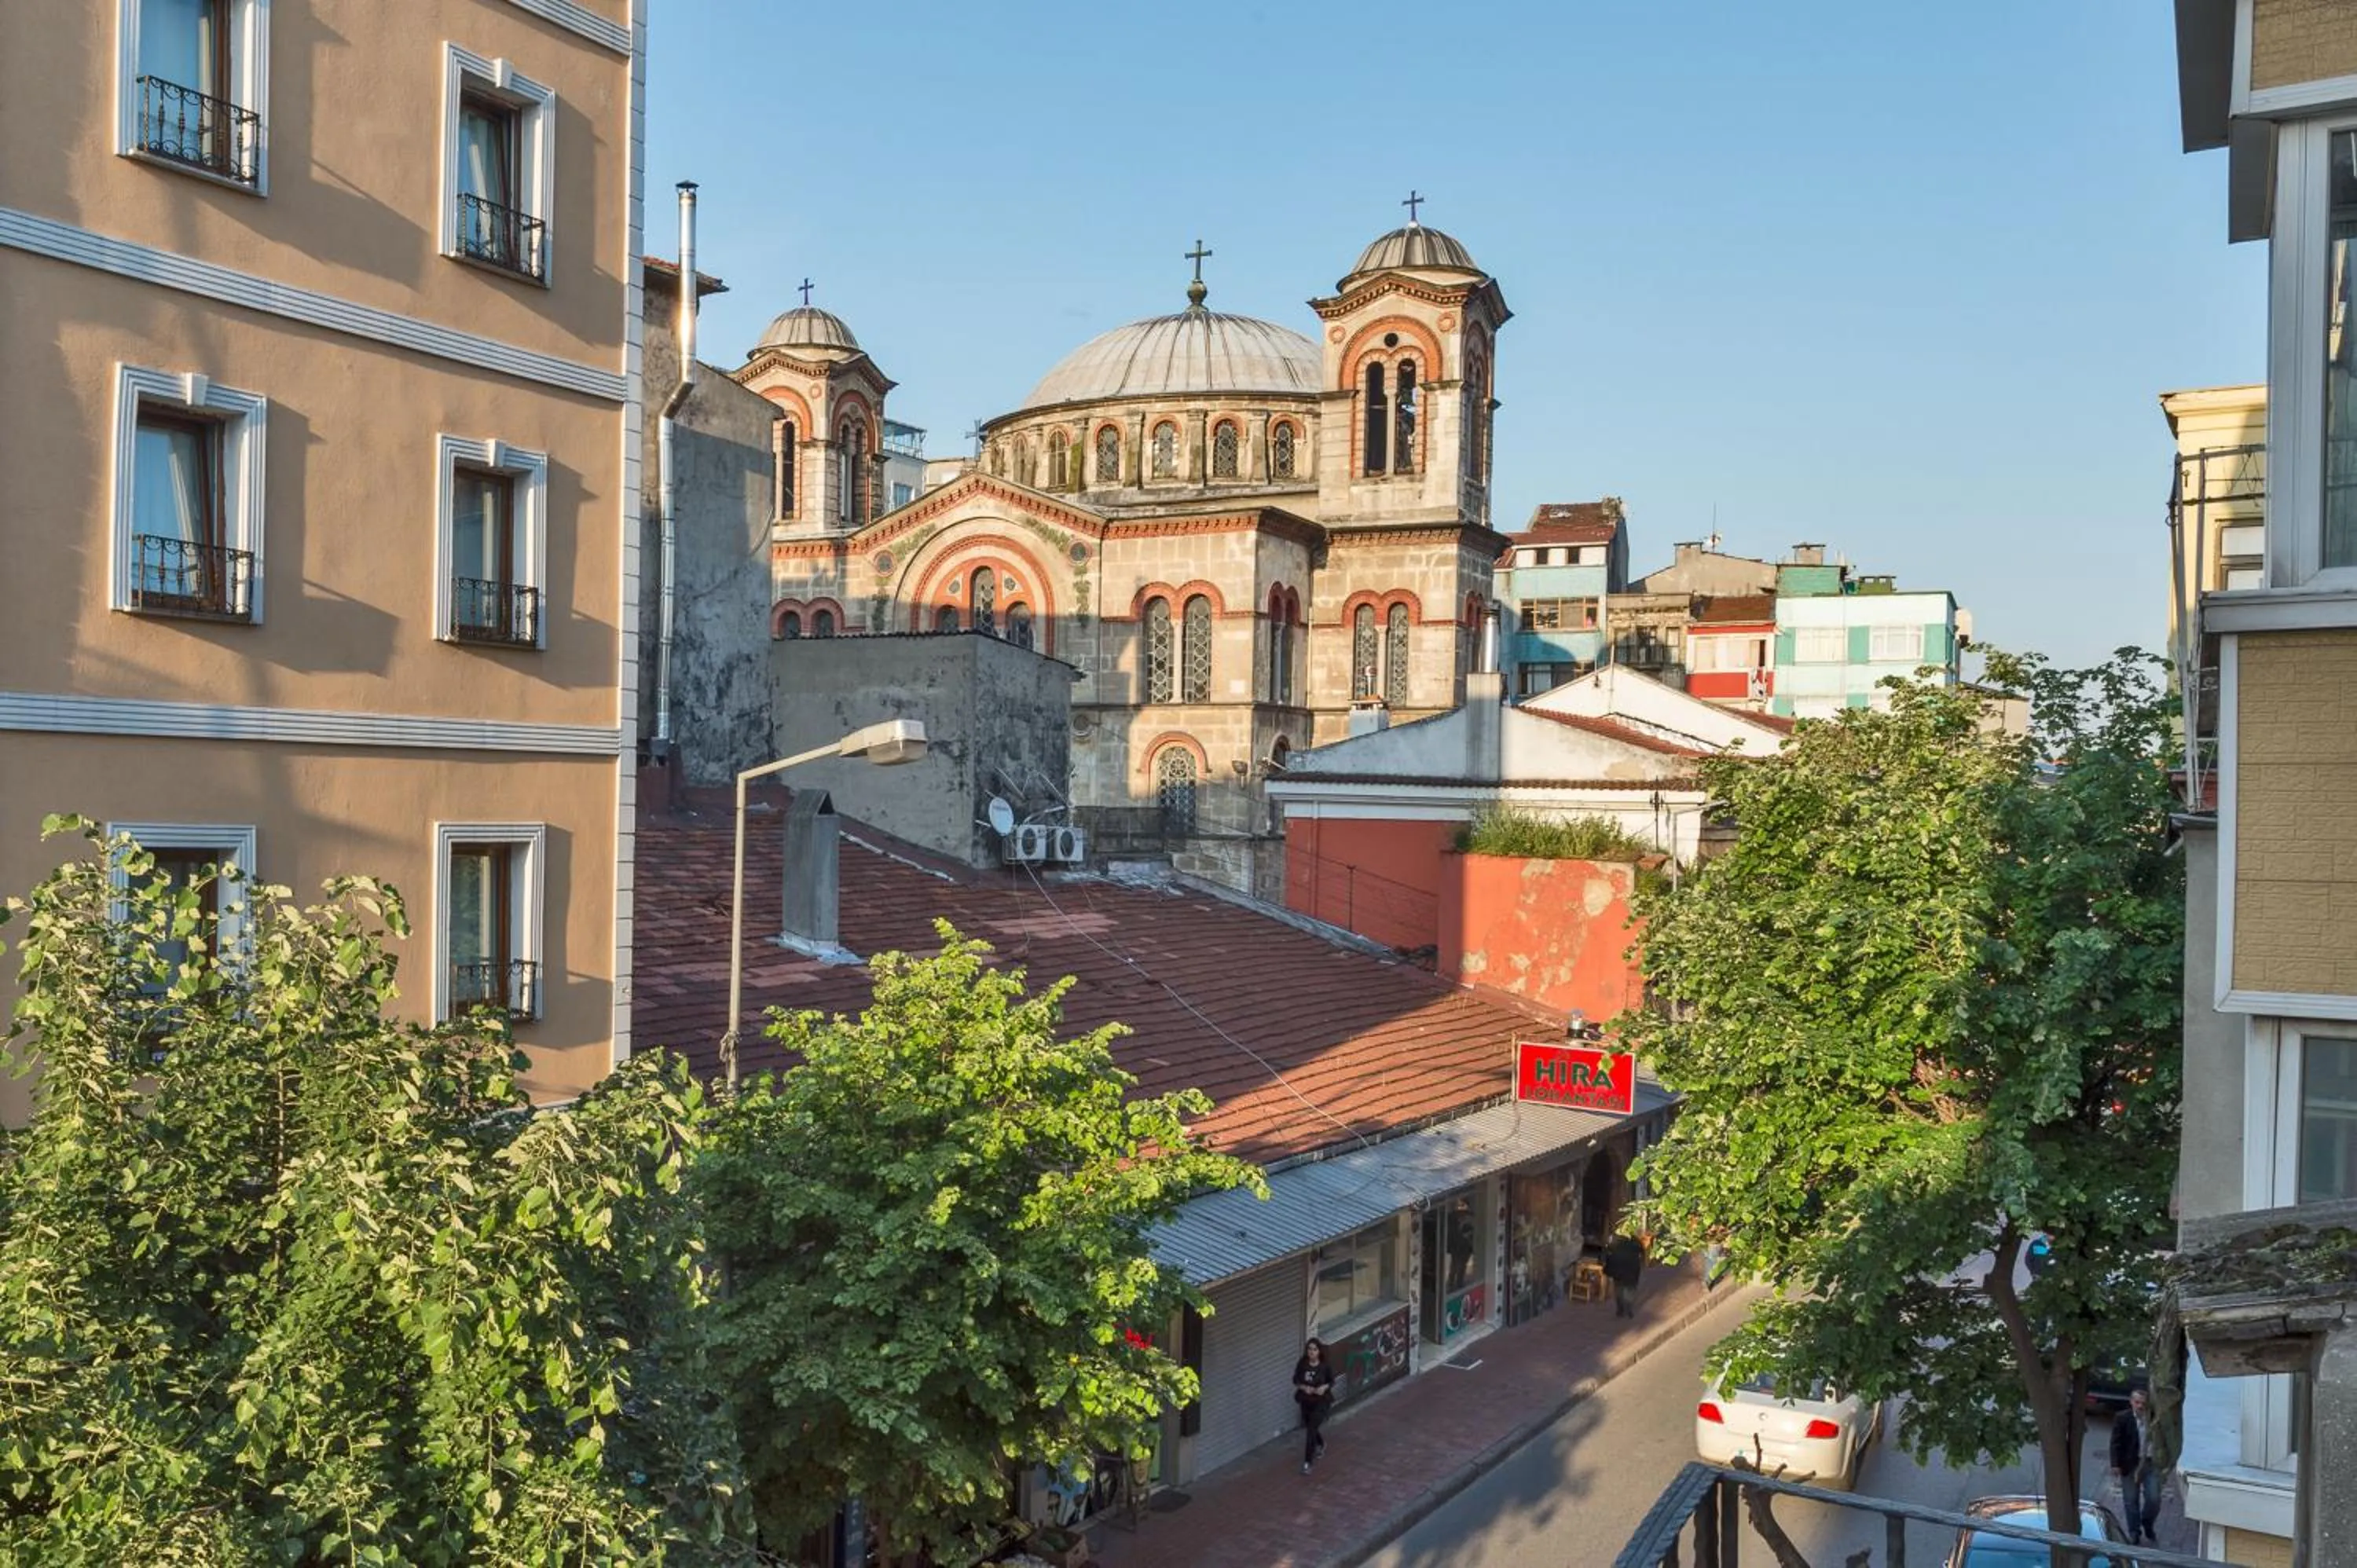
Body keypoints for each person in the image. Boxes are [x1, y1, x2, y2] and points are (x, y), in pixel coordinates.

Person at [2111, 1387, 2161, 1545]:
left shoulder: (2155, 1419)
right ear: (2131, 1402)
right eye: (2137, 1402)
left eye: (2143, 1403)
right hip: (2130, 1463)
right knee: (2130, 1500)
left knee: (2154, 1498)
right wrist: (2115, 1464)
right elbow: (2115, 1442)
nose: (2140, 1406)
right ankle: (2134, 1531)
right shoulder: (2122, 1418)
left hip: (2151, 1463)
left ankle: (2147, 1523)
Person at [1292, 1337, 1335, 1474]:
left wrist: (1324, 1387)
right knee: (1310, 1425)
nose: (1312, 1352)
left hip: (1321, 1402)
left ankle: (1307, 1463)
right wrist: (1304, 1387)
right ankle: (1321, 1443)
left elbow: (1332, 1381)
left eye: (1314, 1349)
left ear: (1319, 1351)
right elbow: (1296, 1379)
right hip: (1306, 1400)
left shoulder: (1324, 1366)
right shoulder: (1303, 1364)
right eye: (1309, 1349)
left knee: (1311, 1430)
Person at [1603, 1230, 1648, 1319]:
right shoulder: (1635, 1241)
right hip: (1632, 1269)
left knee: (1619, 1288)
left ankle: (1620, 1310)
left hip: (1619, 1269)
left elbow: (1608, 1252)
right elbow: (1642, 1252)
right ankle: (1629, 1308)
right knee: (1630, 1289)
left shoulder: (1615, 1240)